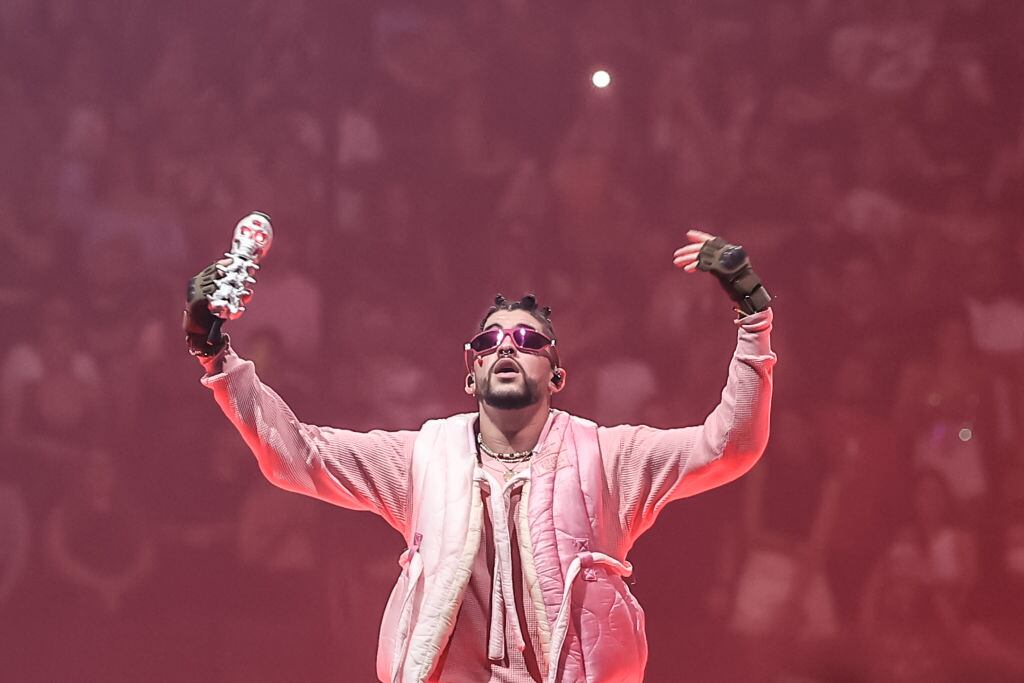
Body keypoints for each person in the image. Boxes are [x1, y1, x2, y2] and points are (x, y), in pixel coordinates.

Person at [184, 229, 776, 682]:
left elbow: (730, 446)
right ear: (471, 376)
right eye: (490, 341)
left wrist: (753, 317)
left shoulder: (608, 456)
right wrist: (216, 355)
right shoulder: (424, 458)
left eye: (528, 339)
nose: (507, 346)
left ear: (557, 375)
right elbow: (298, 454)